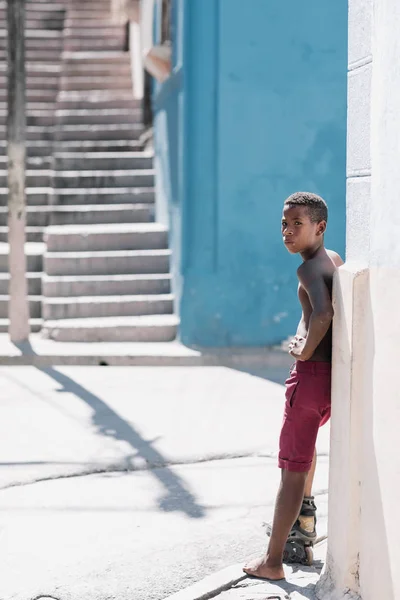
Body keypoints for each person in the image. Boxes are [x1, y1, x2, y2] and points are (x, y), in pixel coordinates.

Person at [243, 191, 344, 581]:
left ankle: (272, 562)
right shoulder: (331, 259)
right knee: (304, 455)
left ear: (319, 227)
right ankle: (304, 524)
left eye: (297, 224)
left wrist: (303, 350)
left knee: (291, 468)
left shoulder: (307, 270)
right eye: (284, 224)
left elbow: (324, 313)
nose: (287, 231)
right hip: (329, 381)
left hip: (311, 381)